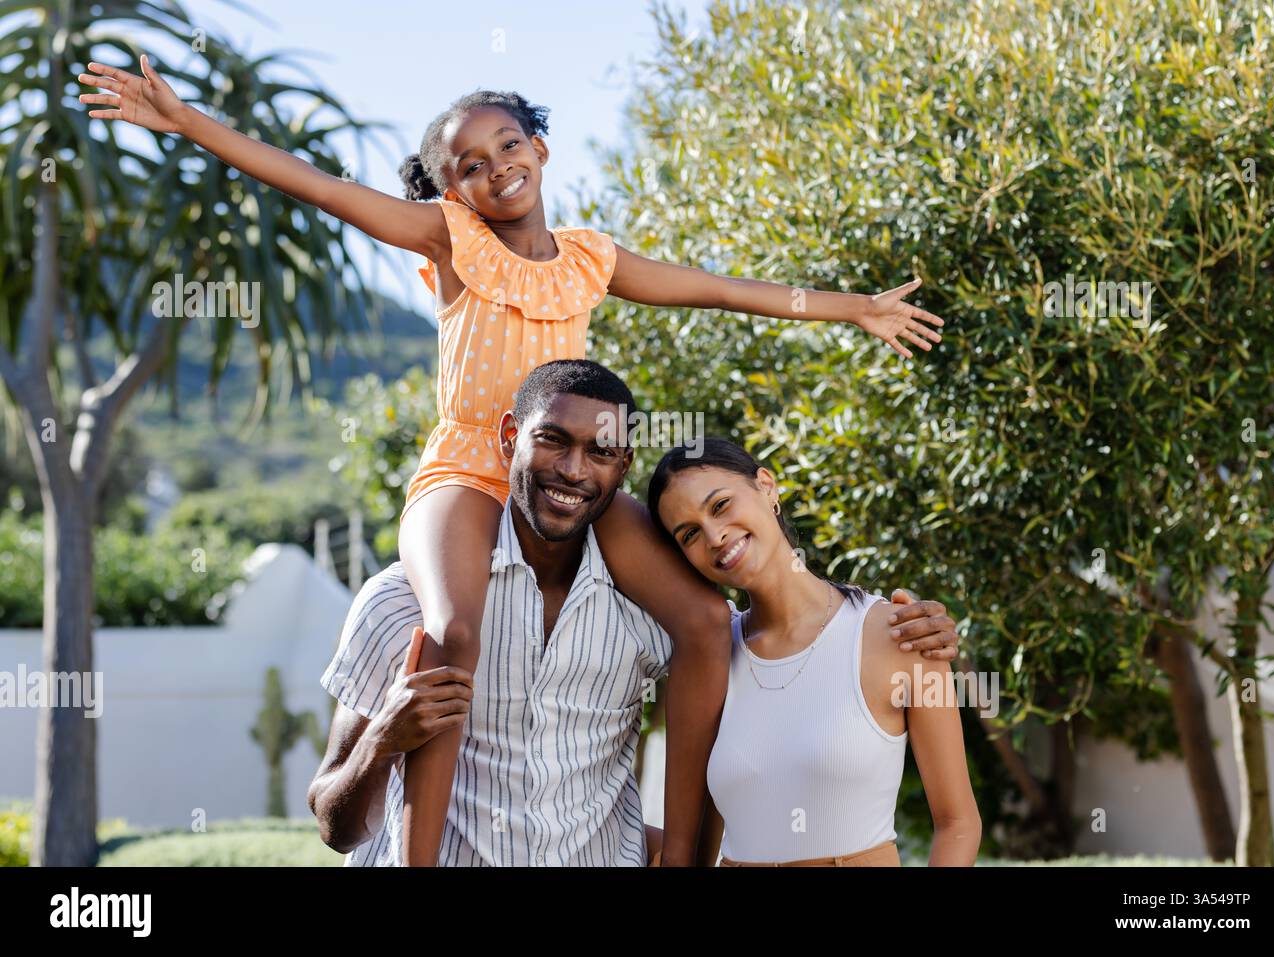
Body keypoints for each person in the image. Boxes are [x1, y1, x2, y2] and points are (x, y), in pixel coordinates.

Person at [79, 62, 948, 865]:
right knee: (458, 631)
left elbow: (723, 288)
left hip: (564, 471)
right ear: (448, 186)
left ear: (539, 147)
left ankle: (682, 859)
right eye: (466, 163)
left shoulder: (591, 258)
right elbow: (321, 187)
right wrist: (187, 122)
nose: (492, 167)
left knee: (698, 615)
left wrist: (854, 308)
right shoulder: (451, 238)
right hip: (469, 466)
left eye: (506, 145)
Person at [307, 359, 962, 865]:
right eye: (552, 441)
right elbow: (334, 824)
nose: (572, 468)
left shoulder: (655, 622)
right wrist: (383, 738)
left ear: (621, 466)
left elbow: (800, 654)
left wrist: (914, 628)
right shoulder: (401, 603)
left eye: (599, 452)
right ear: (511, 437)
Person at [649, 438, 981, 866]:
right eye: (689, 533)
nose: (714, 537)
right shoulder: (707, 658)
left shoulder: (900, 634)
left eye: (720, 505)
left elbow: (958, 823)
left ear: (767, 487)